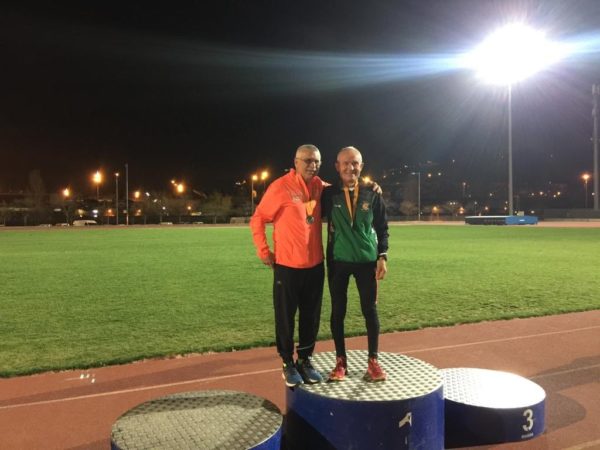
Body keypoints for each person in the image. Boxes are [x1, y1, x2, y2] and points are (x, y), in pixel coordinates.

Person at [250, 144, 326, 387]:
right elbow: (258, 219)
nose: (312, 165)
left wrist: (370, 186)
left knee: (311, 317)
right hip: (287, 266)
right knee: (285, 317)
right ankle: (287, 362)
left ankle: (305, 360)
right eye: (308, 160)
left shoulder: (319, 186)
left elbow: (347, 189)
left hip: (315, 265)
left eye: (316, 161)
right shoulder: (280, 187)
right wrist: (263, 251)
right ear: (296, 162)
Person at [322, 146, 389, 382]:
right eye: (346, 163)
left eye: (355, 163)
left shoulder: (373, 193)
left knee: (369, 310)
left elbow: (382, 227)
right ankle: (341, 362)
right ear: (337, 166)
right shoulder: (328, 194)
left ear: (361, 166)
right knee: (338, 311)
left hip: (366, 261)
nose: (350, 167)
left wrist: (382, 256)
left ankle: (373, 361)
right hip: (338, 262)